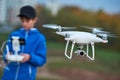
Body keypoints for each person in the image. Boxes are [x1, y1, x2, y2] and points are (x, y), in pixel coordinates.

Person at [2, 5, 47, 80]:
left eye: (27, 20)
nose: (24, 23)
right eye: (22, 21)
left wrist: (30, 57)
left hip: (26, 77)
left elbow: (42, 60)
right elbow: (6, 52)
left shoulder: (40, 38)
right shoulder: (14, 34)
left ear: (34, 20)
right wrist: (6, 56)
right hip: (8, 76)